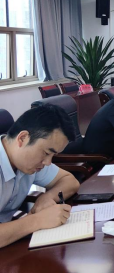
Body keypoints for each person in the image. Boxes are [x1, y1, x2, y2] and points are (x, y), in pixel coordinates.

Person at [0, 105, 80, 248]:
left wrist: (47, 197)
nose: (48, 162)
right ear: (22, 138)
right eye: (46, 153)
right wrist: (38, 220)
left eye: (53, 155)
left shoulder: (27, 162)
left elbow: (69, 181)